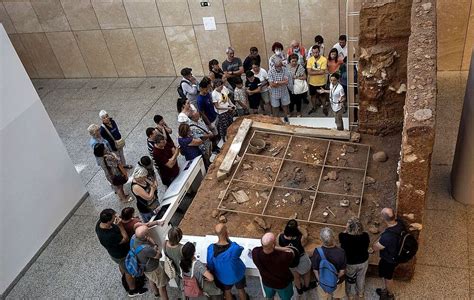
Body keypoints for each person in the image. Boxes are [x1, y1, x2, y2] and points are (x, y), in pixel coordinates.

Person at [95, 209, 147, 297]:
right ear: (108, 221)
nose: (117, 217)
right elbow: (125, 238)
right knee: (129, 272)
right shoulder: (108, 236)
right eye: (114, 217)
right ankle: (132, 290)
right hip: (121, 255)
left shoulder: (100, 223)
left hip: (114, 254)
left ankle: (124, 277)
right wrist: (120, 225)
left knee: (122, 266)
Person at [207, 223, 247, 300]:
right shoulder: (234, 248)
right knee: (241, 290)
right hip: (237, 274)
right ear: (226, 232)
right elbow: (240, 249)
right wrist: (228, 239)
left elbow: (210, 265)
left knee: (227, 291)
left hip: (223, 277)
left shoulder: (211, 248)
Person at [372, 208, 405, 300]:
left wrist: (377, 240)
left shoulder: (387, 237)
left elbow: (375, 247)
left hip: (389, 260)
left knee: (388, 277)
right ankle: (385, 290)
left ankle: (389, 294)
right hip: (396, 255)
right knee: (387, 275)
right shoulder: (399, 223)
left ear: (384, 219)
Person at [252, 232, 294, 300]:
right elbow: (291, 251)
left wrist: (272, 246)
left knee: (270, 297)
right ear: (274, 244)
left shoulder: (255, 252)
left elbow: (264, 246)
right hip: (282, 284)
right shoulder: (283, 256)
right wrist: (281, 248)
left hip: (267, 282)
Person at [276, 220, 312, 296]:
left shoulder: (280, 236)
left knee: (296, 276)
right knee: (306, 273)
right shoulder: (300, 238)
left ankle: (299, 289)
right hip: (301, 258)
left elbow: (279, 245)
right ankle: (306, 287)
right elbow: (305, 235)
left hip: (290, 260)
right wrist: (298, 227)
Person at [133, 225, 169, 299]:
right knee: (162, 286)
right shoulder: (147, 249)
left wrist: (153, 245)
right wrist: (156, 248)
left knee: (151, 279)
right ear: (145, 236)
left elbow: (148, 238)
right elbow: (159, 255)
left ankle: (156, 294)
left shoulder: (133, 238)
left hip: (144, 267)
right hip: (154, 269)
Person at [339, 217, 370, 299]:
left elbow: (342, 238)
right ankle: (360, 293)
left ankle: (350, 294)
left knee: (350, 278)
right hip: (363, 261)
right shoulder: (365, 236)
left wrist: (346, 231)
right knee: (361, 277)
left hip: (350, 263)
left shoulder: (343, 237)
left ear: (349, 228)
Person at [311, 227, 347, 300]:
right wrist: (334, 280)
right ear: (333, 238)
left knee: (323, 297)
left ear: (321, 239)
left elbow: (315, 270)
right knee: (337, 296)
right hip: (338, 281)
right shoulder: (341, 252)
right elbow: (342, 271)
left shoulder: (317, 251)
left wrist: (321, 281)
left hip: (323, 281)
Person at [306, 45, 328, 115]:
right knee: (313, 96)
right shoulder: (310, 60)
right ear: (312, 52)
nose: (315, 54)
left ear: (319, 52)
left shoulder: (324, 59)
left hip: (321, 82)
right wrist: (319, 71)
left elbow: (322, 71)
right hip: (312, 82)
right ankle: (314, 107)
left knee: (323, 96)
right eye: (314, 53)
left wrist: (313, 71)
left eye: (317, 52)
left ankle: (324, 108)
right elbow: (309, 72)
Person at [268, 57, 291, 122]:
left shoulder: (285, 69)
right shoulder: (270, 71)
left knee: (285, 105)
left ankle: (286, 117)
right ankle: (276, 118)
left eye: (280, 65)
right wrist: (281, 82)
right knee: (275, 107)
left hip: (284, 91)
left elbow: (286, 82)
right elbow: (272, 85)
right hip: (274, 92)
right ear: (274, 65)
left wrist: (276, 82)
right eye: (278, 66)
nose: (279, 67)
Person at [164, 226, 185, 294]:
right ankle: (184, 291)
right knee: (183, 281)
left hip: (172, 267)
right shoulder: (182, 248)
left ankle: (180, 287)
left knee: (178, 278)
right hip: (181, 269)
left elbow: (165, 253)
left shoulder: (165, 243)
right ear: (179, 237)